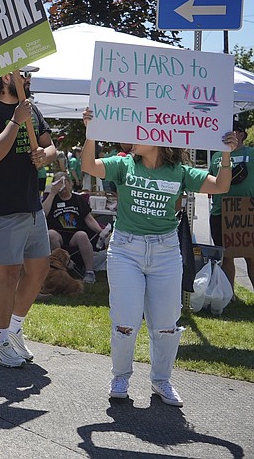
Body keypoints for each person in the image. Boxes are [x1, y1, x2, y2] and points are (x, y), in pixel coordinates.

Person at [81, 108, 235, 407]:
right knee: (125, 321)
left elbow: (221, 185)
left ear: (159, 138)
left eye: (138, 133)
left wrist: (225, 155)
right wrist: (90, 132)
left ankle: (162, 380)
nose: (130, 139)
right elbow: (89, 164)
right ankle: (121, 376)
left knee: (166, 324)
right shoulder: (124, 165)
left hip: (166, 253)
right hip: (126, 250)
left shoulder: (179, 172)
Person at [0, 68, 56, 368]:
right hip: (1, 206)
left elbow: (50, 147)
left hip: (30, 203)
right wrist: (17, 120)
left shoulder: (32, 109)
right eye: (25, 75)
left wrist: (46, 155)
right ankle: (0, 341)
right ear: (7, 77)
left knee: (40, 269)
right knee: (9, 273)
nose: (29, 80)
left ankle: (15, 330)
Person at [208, 120, 254, 291]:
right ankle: (229, 295)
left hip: (247, 214)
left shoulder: (252, 153)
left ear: (241, 134)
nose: (227, 135)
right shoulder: (216, 156)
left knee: (251, 256)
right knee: (226, 256)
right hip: (221, 213)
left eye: (232, 131)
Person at [42, 171, 108, 284]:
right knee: (51, 234)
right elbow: (43, 214)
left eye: (65, 181)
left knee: (82, 235)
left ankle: (89, 271)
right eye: (59, 182)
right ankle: (59, 270)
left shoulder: (78, 200)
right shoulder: (52, 199)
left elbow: (89, 219)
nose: (63, 185)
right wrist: (52, 193)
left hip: (75, 235)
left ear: (70, 183)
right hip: (58, 233)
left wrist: (101, 232)